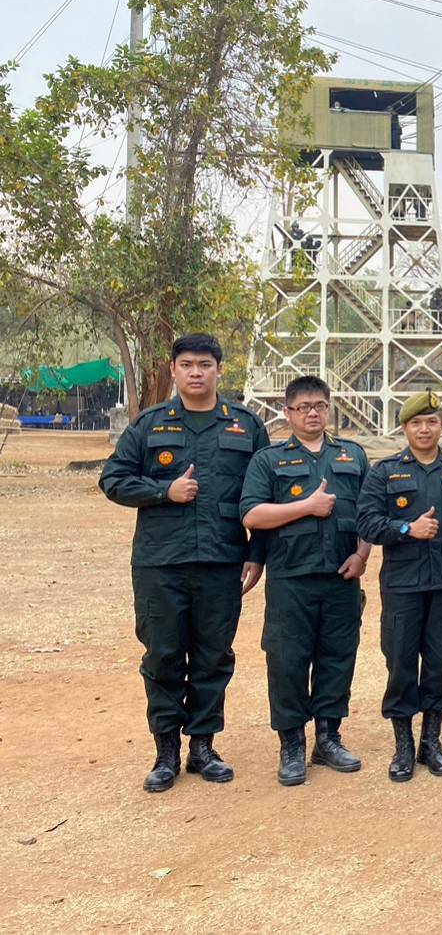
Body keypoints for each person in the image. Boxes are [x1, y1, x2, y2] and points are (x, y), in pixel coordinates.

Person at [99, 333, 270, 792]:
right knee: (163, 656)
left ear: (219, 370)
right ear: (174, 370)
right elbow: (113, 479)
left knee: (214, 656)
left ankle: (203, 748)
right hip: (161, 563)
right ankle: (166, 753)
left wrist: (257, 554)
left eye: (205, 365)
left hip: (222, 561)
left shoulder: (245, 427)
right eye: (188, 365)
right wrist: (163, 491)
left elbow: (264, 494)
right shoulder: (149, 424)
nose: (196, 372)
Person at [239, 376, 371, 786]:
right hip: (290, 579)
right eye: (304, 407)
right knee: (287, 661)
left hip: (341, 577)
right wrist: (306, 507)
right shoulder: (269, 460)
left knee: (337, 658)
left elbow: (370, 512)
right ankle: (292, 745)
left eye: (320, 406)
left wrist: (362, 555)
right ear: (288, 412)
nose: (313, 413)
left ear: (329, 408)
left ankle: (328, 739)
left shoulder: (352, 455)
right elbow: (252, 514)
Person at [357, 391, 442, 782]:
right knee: (400, 662)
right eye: (416, 423)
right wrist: (406, 529)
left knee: (438, 662)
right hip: (402, 584)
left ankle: (431, 741)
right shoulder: (385, 472)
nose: (425, 429)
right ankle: (403, 745)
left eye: (432, 421)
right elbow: (366, 523)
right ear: (404, 428)